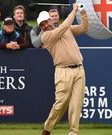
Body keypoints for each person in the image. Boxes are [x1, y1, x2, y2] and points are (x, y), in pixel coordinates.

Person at [38, 3, 88, 135]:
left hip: (79, 70)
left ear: (50, 19)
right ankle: (47, 128)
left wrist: (82, 12)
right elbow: (65, 25)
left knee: (76, 104)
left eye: (45, 22)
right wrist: (74, 10)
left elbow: (84, 28)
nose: (45, 25)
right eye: (41, 25)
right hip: (63, 71)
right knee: (61, 103)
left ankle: (73, 132)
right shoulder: (45, 36)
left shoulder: (66, 29)